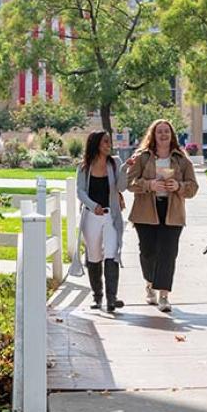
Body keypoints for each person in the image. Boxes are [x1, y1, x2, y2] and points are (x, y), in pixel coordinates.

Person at [127, 119, 198, 312]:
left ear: (172, 135)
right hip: (145, 212)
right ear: (153, 135)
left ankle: (164, 295)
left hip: (172, 211)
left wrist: (179, 186)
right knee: (148, 252)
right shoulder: (142, 157)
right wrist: (148, 185)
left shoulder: (181, 159)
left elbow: (193, 188)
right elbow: (129, 182)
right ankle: (150, 283)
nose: (164, 134)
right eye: (160, 131)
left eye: (167, 131)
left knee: (168, 253)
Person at [74, 130, 129, 312]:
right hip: (91, 217)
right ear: (96, 144)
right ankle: (98, 296)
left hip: (111, 216)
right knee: (94, 256)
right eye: (105, 142)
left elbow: (121, 187)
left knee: (112, 253)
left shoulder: (115, 163)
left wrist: (125, 169)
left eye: (109, 142)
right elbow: (80, 191)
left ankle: (112, 299)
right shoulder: (84, 167)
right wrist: (92, 205)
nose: (109, 145)